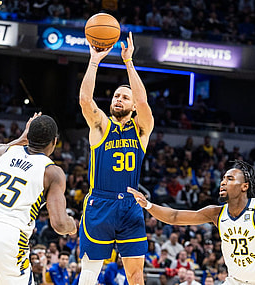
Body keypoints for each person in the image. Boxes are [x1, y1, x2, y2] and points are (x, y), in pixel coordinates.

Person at [128, 160, 255, 285]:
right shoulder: (216, 213)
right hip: (235, 282)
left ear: (244, 186)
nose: (223, 182)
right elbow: (174, 217)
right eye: (223, 178)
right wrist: (148, 206)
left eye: (230, 179)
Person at [0, 113, 77, 285]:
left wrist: (18, 140)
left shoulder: (3, 151)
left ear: (27, 136)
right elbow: (59, 225)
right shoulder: (52, 172)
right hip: (9, 236)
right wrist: (72, 226)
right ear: (54, 142)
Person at [78, 32, 154, 285]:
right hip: (100, 202)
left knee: (136, 274)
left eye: (124, 97)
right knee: (90, 272)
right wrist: (94, 61)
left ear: (132, 107)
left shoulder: (141, 129)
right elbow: (85, 100)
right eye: (116, 96)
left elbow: (143, 100)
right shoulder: (100, 126)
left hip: (131, 206)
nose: (118, 99)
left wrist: (128, 62)